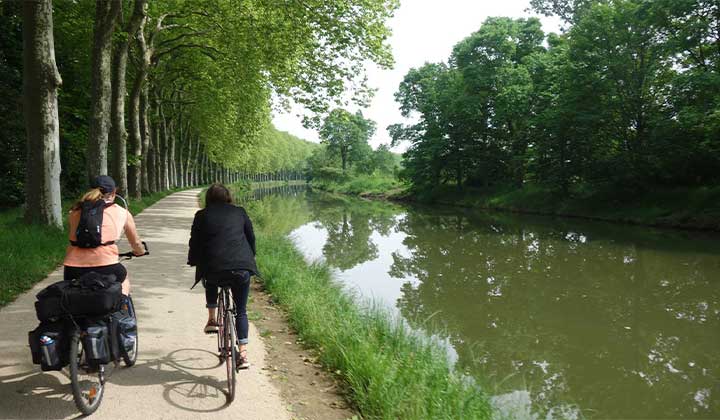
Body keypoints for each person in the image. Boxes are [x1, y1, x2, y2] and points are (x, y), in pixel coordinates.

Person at [187, 183, 257, 369]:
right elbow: (251, 238)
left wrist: (193, 261)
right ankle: (243, 355)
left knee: (209, 274)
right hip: (241, 267)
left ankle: (212, 319)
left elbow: (195, 243)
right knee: (241, 311)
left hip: (214, 269)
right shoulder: (239, 212)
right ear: (228, 197)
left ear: (208, 198)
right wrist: (251, 257)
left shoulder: (201, 216)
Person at [64, 175, 145, 296]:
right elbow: (136, 243)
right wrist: (139, 251)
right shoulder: (122, 212)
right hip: (107, 266)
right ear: (113, 193)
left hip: (73, 268)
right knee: (124, 280)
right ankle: (121, 307)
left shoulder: (74, 211)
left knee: (73, 295)